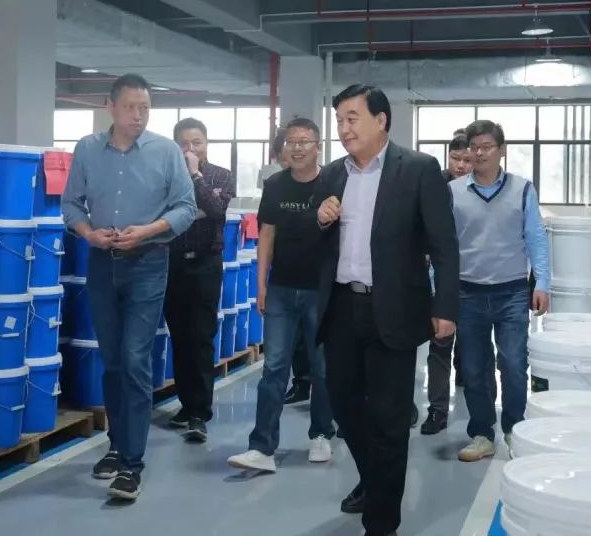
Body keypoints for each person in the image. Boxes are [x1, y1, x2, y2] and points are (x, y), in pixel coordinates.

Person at [315, 85, 460, 536]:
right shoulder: (332, 174)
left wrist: (445, 306)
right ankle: (375, 481)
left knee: (390, 418)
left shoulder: (418, 169)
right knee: (343, 406)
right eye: (339, 120)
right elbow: (318, 241)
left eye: (352, 118)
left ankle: (382, 523)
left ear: (381, 120)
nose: (344, 128)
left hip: (394, 309)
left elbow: (444, 245)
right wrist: (319, 218)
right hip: (341, 307)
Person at [61, 73, 197, 501]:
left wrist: (147, 231)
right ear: (111, 107)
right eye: (130, 107)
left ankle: (131, 465)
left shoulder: (167, 152)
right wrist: (89, 234)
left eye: (145, 108)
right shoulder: (87, 149)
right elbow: (70, 204)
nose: (138, 115)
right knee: (114, 361)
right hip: (103, 264)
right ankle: (117, 445)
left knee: (136, 359)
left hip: (148, 263)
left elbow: (186, 207)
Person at [227, 117, 335, 473]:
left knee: (322, 368)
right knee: (274, 367)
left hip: (321, 291)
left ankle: (321, 434)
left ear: (318, 146)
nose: (298, 148)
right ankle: (262, 447)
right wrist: (261, 284)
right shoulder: (275, 185)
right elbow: (267, 235)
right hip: (282, 290)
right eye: (292, 142)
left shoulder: (333, 182)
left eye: (305, 141)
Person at [453, 119, 550, 463]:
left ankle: (513, 429)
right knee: (474, 368)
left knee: (513, 363)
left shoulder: (522, 189)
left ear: (502, 151)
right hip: (467, 293)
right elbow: (444, 245)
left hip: (512, 293)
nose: (479, 153)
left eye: (486, 147)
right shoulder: (454, 192)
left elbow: (536, 238)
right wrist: (439, 288)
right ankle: (482, 433)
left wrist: (542, 283)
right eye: (474, 147)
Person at [165, 117, 235, 443]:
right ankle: (185, 403)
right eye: (184, 144)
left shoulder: (221, 175)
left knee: (202, 336)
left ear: (206, 143)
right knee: (180, 336)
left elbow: (217, 210)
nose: (190, 149)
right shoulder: (166, 176)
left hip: (206, 264)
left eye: (197, 143)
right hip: (173, 263)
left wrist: (195, 175)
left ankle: (200, 412)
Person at [421, 133, 474, 435]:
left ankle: (467, 380)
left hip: (472, 279)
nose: (461, 166)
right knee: (439, 343)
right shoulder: (434, 185)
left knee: (469, 345)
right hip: (438, 278)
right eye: (456, 159)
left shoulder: (480, 189)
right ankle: (437, 410)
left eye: (467, 160)